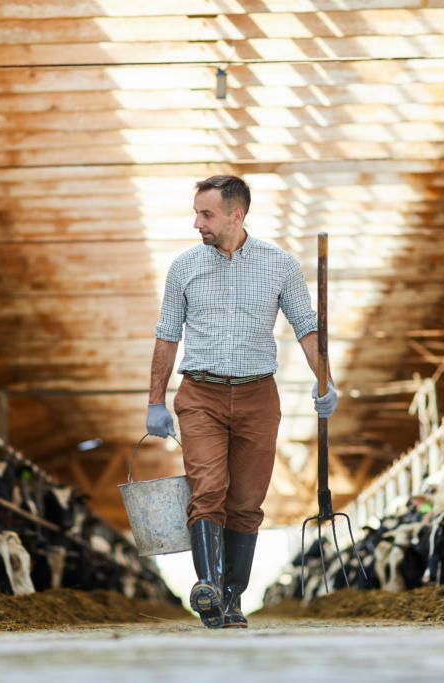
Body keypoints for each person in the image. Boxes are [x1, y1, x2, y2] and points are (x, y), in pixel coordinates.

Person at [146, 174, 338, 629]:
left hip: (258, 396)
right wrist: (155, 399)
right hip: (200, 395)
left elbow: (307, 328)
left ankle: (232, 598)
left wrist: (326, 381)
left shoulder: (280, 266)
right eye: (196, 212)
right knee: (208, 489)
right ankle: (208, 586)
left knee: (248, 502)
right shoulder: (183, 267)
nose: (197, 223)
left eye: (206, 214)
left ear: (237, 214)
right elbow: (166, 336)